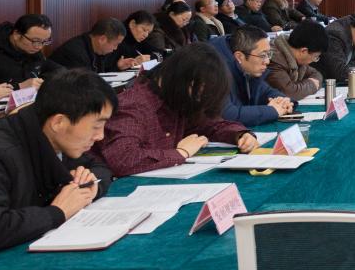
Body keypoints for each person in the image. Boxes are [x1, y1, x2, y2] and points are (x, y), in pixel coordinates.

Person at [0, 69, 116, 253]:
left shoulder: (55, 136)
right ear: (58, 122)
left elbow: (99, 167)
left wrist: (91, 185)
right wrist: (58, 212)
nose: (100, 136)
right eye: (96, 126)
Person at [93, 43, 259, 177]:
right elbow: (123, 159)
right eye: (199, 91)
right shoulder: (134, 105)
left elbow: (210, 124)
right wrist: (181, 153)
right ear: (184, 80)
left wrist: (240, 135)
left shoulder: (179, 97)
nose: (200, 99)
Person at [212, 26, 294, 127]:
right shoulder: (213, 69)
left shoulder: (248, 68)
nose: (267, 61)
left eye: (268, 54)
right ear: (239, 57)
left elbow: (265, 91)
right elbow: (227, 115)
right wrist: (272, 111)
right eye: (262, 55)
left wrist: (284, 101)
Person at [0, 14, 62, 91]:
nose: (39, 47)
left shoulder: (31, 49)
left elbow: (57, 69)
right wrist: (19, 86)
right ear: (16, 35)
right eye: (35, 41)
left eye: (45, 41)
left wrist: (43, 81)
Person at [266, 21, 329, 101]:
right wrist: (311, 85)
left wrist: (298, 87)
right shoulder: (274, 59)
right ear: (304, 51)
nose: (314, 60)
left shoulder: (296, 58)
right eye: (315, 57)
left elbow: (317, 75)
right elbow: (288, 93)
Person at [50, 17, 136, 73]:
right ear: (102, 39)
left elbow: (102, 75)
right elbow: (84, 85)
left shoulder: (97, 49)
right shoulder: (75, 53)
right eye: (115, 44)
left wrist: (117, 67)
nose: (115, 48)